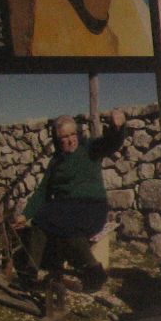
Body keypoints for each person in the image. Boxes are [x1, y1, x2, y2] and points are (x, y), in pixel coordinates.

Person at [15, 110, 127, 294]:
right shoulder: (55, 162)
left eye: (73, 134)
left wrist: (118, 127)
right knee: (40, 219)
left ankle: (95, 272)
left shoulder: (90, 149)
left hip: (92, 207)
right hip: (65, 209)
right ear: (57, 139)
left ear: (78, 134)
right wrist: (25, 215)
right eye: (64, 137)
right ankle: (30, 274)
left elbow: (111, 143)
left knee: (64, 224)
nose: (70, 140)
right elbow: (43, 192)